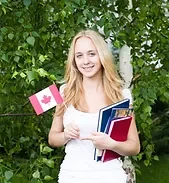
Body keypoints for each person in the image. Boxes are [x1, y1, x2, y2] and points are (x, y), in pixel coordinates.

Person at [48, 29, 140, 183]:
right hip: (72, 176)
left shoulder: (120, 96)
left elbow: (134, 146)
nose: (86, 61)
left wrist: (112, 144)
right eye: (79, 55)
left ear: (101, 55)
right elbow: (52, 138)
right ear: (74, 60)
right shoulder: (65, 92)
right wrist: (65, 135)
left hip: (110, 176)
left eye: (91, 54)